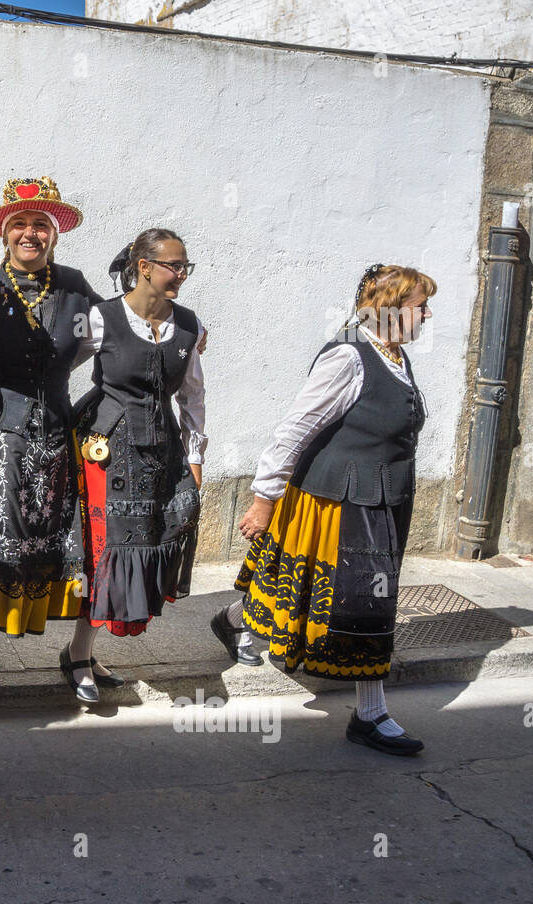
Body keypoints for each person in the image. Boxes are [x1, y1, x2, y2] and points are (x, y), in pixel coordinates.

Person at [213, 263, 434, 755]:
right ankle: (370, 716)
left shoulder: (392, 353)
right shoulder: (349, 358)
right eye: (421, 305)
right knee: (362, 606)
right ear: (392, 308)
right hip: (337, 501)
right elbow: (294, 430)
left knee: (316, 597)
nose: (427, 314)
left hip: (382, 498)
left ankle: (233, 618)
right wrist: (264, 500)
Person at [0, 177, 100, 709]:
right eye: (20, 224)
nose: (30, 233)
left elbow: (112, 334)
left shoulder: (76, 286)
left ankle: (77, 654)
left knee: (65, 546)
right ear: (5, 234)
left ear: (54, 233)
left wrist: (176, 329)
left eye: (40, 224)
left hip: (58, 436)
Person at [62, 229, 208, 704]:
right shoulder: (101, 318)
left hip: (160, 447)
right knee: (105, 550)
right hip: (105, 447)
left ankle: (83, 648)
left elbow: (192, 395)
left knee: (155, 535)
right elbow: (58, 367)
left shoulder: (188, 326)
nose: (181, 275)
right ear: (144, 266)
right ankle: (79, 654)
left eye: (185, 266)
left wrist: (195, 456)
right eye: (173, 265)